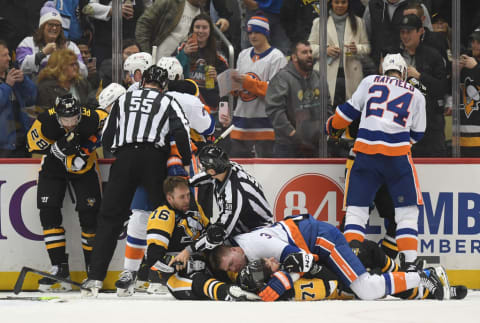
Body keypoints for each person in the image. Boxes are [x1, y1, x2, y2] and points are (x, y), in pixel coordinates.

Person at [81, 65, 191, 296]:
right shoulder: (167, 101)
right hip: (154, 159)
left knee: (110, 218)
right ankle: (155, 277)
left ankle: (95, 278)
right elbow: (182, 132)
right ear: (164, 85)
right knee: (161, 215)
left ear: (143, 82)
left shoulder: (124, 98)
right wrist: (187, 161)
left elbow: (108, 135)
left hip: (125, 158)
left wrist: (121, 152)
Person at [325, 53, 426, 271]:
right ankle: (410, 264)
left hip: (365, 156)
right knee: (406, 213)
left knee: (356, 212)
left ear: (383, 71)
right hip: (397, 159)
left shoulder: (370, 81)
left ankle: (351, 262)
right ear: (404, 73)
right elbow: (417, 135)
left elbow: (345, 114)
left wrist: (331, 127)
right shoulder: (416, 94)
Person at [209, 213, 446, 301]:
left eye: (232, 263)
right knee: (357, 288)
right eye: (230, 269)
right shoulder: (244, 250)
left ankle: (425, 276)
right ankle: (421, 282)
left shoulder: (255, 244)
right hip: (317, 247)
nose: (235, 268)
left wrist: (279, 284)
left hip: (322, 241)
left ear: (235, 250)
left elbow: (302, 261)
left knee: (365, 290)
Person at [26, 93, 107, 292]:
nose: (70, 124)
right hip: (54, 168)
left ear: (79, 114)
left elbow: (111, 124)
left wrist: (86, 149)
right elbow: (31, 143)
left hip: (84, 168)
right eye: (65, 120)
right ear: (57, 117)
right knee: (48, 212)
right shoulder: (46, 122)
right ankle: (59, 267)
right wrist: (56, 149)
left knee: (90, 217)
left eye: (74, 119)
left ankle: (92, 271)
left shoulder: (90, 116)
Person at [170, 144, 274, 269]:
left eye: (204, 167)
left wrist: (188, 251)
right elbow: (204, 177)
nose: (203, 170)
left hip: (259, 234)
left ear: (212, 170)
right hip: (244, 228)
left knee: (216, 256)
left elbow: (218, 234)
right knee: (206, 241)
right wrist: (182, 184)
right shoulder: (227, 167)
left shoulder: (234, 194)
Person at [230, 14, 287, 158]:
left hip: (265, 125)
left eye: (257, 32)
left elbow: (275, 92)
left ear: (266, 33)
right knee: (238, 167)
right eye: (250, 32)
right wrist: (233, 88)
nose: (252, 36)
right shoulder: (243, 54)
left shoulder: (277, 57)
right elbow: (239, 86)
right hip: (241, 121)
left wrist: (246, 82)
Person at [397, 14, 448, 157]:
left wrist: (420, 76)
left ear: (421, 31)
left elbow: (442, 87)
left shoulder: (433, 55)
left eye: (409, 32)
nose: (405, 36)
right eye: (402, 32)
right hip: (402, 122)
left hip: (430, 122)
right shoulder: (395, 57)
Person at [266, 40, 326, 158]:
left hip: (315, 145)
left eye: (310, 52)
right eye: (304, 52)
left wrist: (323, 132)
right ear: (294, 57)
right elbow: (275, 111)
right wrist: (293, 135)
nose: (309, 55)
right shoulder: (282, 78)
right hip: (288, 146)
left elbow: (327, 106)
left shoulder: (318, 77)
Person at [309, 0, 370, 108]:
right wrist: (324, 50)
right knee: (327, 110)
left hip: (352, 75)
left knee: (350, 112)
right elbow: (309, 48)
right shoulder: (319, 22)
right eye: (336, 2)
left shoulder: (359, 22)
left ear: (348, 4)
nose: (340, 5)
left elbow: (367, 47)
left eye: (343, 2)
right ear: (331, 3)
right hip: (326, 74)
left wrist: (357, 49)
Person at [16, 2, 87, 79]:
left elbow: (84, 73)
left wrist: (66, 58)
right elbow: (22, 67)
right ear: (42, 27)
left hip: (65, 86)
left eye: (57, 25)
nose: (54, 28)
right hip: (37, 87)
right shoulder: (28, 42)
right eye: (50, 24)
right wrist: (43, 53)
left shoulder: (70, 46)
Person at [175, 13, 229, 112]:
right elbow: (173, 72)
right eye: (197, 27)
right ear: (192, 29)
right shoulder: (181, 48)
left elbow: (228, 83)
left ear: (210, 30)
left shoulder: (219, 54)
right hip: (186, 103)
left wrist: (217, 78)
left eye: (204, 28)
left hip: (209, 106)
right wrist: (184, 54)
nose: (200, 31)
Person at [363, 0, 432, 66]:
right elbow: (365, 40)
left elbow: (428, 36)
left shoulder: (417, 5)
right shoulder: (372, 6)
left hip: (412, 64)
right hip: (378, 65)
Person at [0, 39, 37, 157]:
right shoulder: (9, 81)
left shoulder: (12, 75)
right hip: (3, 146)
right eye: (5, 55)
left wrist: (24, 81)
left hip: (21, 141)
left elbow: (32, 98)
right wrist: (7, 86)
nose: (9, 59)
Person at [81, 0, 144, 66]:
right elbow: (87, 8)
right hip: (104, 41)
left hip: (131, 41)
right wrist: (113, 10)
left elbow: (148, 8)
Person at [135, 0, 206, 56]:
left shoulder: (202, 14)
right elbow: (144, 23)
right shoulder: (170, 2)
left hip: (182, 67)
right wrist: (147, 54)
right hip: (158, 63)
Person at [36, 48, 91, 113]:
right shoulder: (45, 88)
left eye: (76, 64)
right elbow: (45, 115)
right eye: (71, 64)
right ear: (59, 67)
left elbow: (92, 105)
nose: (75, 67)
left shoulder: (81, 82)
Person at [459, 28, 480, 157]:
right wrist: (455, 71)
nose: (474, 44)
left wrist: (477, 68)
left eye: (478, 41)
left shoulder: (473, 65)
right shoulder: (466, 62)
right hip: (463, 135)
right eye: (473, 41)